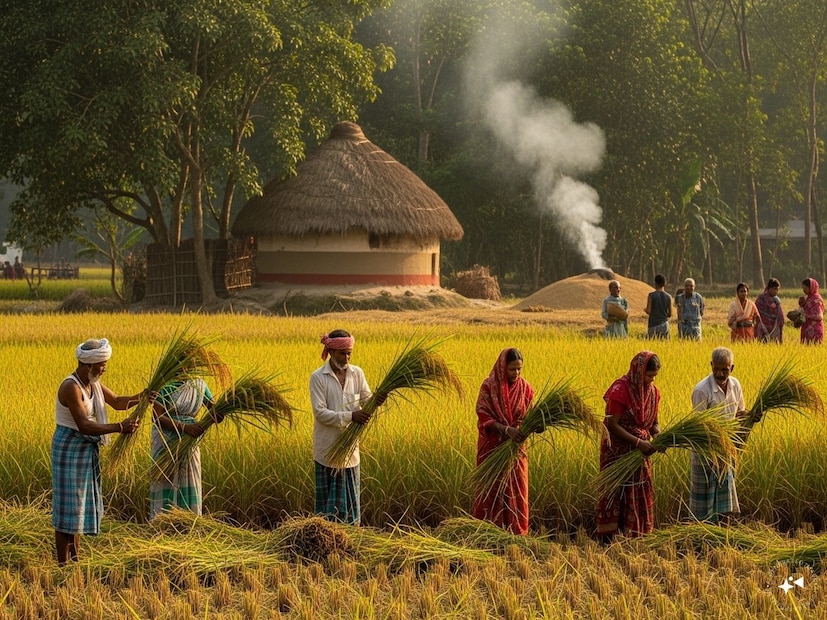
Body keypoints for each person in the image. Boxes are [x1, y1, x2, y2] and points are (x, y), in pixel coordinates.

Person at [51, 338, 150, 564]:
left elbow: (117, 401)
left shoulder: (92, 383)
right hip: (68, 449)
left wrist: (142, 396)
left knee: (78, 507)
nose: (104, 368)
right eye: (102, 364)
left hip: (85, 449)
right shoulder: (71, 387)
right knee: (67, 509)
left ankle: (75, 560)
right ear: (89, 364)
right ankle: (62, 564)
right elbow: (84, 425)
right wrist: (119, 427)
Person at [309, 329, 375, 525]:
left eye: (349, 353)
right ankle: (325, 536)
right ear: (330, 351)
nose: (346, 358)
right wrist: (351, 416)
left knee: (350, 507)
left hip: (350, 451)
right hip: (327, 450)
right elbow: (320, 413)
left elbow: (367, 399)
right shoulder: (318, 377)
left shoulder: (357, 374)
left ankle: (350, 536)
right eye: (342, 353)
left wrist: (377, 399)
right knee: (326, 511)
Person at [596, 351, 663, 541]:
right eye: (648, 375)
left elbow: (654, 423)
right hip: (617, 452)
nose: (651, 380)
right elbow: (612, 424)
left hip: (640, 454)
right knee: (616, 493)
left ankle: (636, 535)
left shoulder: (653, 393)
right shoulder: (620, 390)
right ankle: (609, 539)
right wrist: (638, 442)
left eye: (654, 376)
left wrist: (658, 436)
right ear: (638, 372)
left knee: (639, 490)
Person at [472, 348, 534, 535]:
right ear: (502, 368)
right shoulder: (489, 387)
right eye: (512, 369)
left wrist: (530, 428)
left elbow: (530, 415)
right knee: (491, 491)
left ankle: (515, 533)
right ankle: (486, 532)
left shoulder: (525, 388)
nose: (516, 373)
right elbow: (483, 415)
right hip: (492, 449)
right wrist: (507, 430)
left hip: (516, 450)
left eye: (519, 369)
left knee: (517, 489)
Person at [149, 377, 220, 520]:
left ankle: (189, 520)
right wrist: (185, 428)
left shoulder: (199, 385)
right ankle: (162, 521)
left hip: (190, 440)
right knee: (165, 478)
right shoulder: (165, 383)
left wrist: (223, 409)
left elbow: (215, 414)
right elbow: (156, 416)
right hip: (166, 440)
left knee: (188, 476)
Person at [689, 347, 746, 524]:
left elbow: (740, 414)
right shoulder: (702, 390)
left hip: (726, 450)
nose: (720, 374)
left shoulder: (735, 385)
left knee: (725, 499)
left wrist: (751, 416)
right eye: (716, 369)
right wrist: (716, 439)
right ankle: (702, 532)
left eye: (725, 370)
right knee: (703, 501)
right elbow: (700, 426)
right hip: (706, 450)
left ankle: (723, 532)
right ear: (711, 365)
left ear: (732, 368)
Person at [754, 278, 784, 343]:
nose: (776, 291)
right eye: (774, 289)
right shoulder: (761, 299)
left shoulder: (777, 300)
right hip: (763, 327)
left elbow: (780, 315)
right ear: (769, 288)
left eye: (777, 289)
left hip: (774, 327)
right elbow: (757, 313)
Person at [645, 274, 672, 339]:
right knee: (664, 343)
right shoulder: (669, 297)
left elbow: (649, 311)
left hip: (653, 324)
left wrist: (645, 309)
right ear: (664, 284)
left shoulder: (651, 295)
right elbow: (670, 314)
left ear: (655, 283)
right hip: (664, 324)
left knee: (652, 343)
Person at [799, 277, 824, 345]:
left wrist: (806, 316)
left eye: (805, 288)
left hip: (814, 330)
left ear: (811, 287)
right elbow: (807, 309)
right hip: (806, 328)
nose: (804, 290)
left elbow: (819, 316)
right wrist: (802, 304)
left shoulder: (817, 299)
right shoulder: (809, 298)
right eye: (803, 288)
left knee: (814, 348)